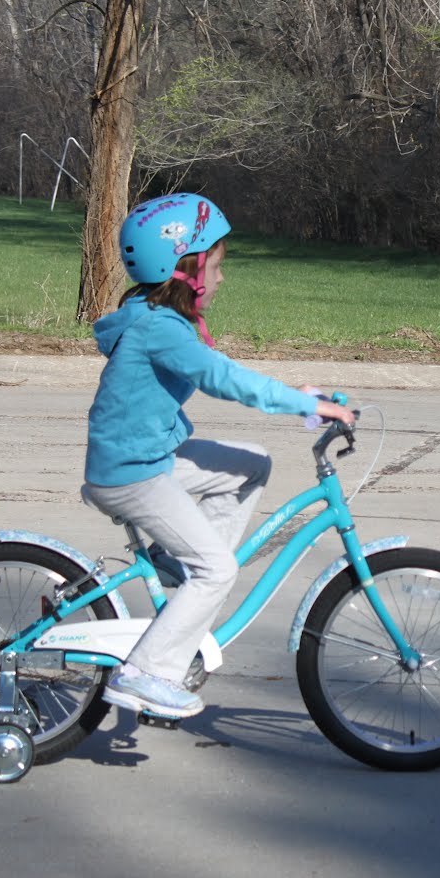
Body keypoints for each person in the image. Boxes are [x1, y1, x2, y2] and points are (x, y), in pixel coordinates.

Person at [82, 192, 354, 719]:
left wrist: (304, 399)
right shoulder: (160, 328)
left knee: (251, 462)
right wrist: (306, 403)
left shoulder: (153, 317)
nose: (223, 278)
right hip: (132, 474)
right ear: (185, 267)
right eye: (218, 265)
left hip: (146, 458)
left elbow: (220, 367)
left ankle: (186, 572)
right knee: (218, 572)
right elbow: (223, 379)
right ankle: (144, 674)